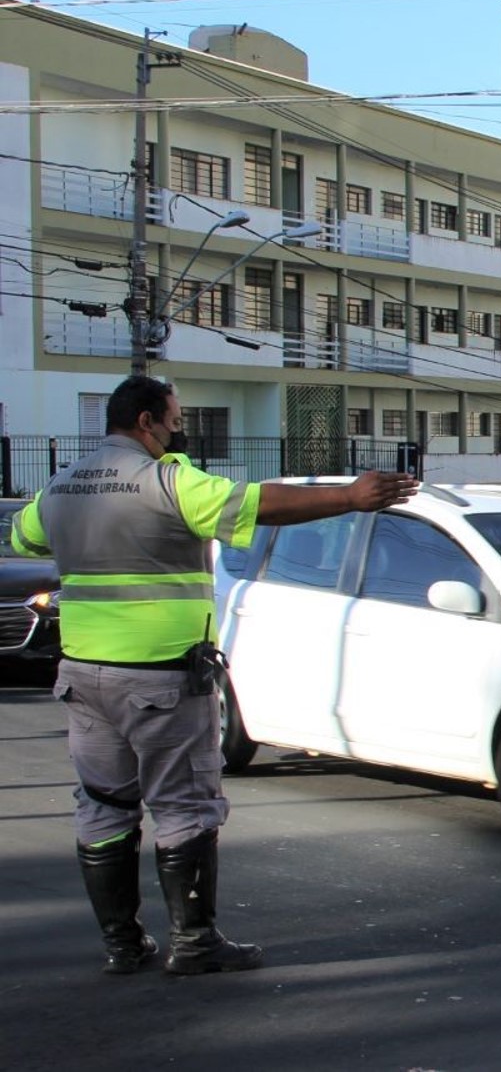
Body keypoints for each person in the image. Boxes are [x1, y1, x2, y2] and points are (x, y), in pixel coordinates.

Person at [9, 376, 418, 977]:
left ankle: (123, 946)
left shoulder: (63, 485)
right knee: (184, 807)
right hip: (161, 679)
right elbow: (256, 504)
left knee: (102, 804)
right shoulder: (166, 480)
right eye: (175, 419)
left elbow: (24, 535)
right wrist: (350, 497)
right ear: (147, 421)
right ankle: (194, 943)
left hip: (85, 676)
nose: (180, 429)